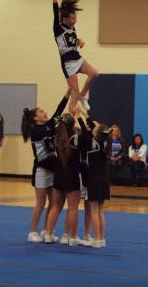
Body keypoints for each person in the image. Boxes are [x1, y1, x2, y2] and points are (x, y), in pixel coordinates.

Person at [22, 89, 70, 243]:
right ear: (35, 117)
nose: (45, 113)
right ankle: (32, 231)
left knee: (53, 202)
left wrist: (68, 93)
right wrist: (56, 126)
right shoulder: (35, 131)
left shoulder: (48, 126)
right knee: (40, 202)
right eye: (41, 112)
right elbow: (51, 126)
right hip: (42, 169)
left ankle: (46, 230)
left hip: (53, 168)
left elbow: (58, 110)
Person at [48, 0, 99, 115]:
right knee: (73, 98)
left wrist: (79, 41)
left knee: (94, 73)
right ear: (64, 19)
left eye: (75, 19)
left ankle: (83, 95)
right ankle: (71, 122)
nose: (74, 21)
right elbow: (55, 12)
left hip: (77, 58)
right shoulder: (58, 29)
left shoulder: (72, 28)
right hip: (68, 64)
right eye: (72, 19)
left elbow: (71, 42)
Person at [44, 114, 83, 246]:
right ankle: (71, 237)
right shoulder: (75, 138)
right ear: (72, 125)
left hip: (59, 176)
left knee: (55, 207)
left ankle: (48, 234)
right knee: (72, 208)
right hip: (72, 176)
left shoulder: (56, 138)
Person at [79, 114, 112, 248]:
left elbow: (84, 128)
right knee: (100, 211)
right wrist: (84, 113)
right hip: (104, 179)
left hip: (94, 179)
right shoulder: (105, 142)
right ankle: (101, 239)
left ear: (97, 132)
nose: (92, 128)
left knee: (93, 210)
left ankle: (97, 239)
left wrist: (79, 116)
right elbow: (94, 128)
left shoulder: (93, 143)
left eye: (95, 128)